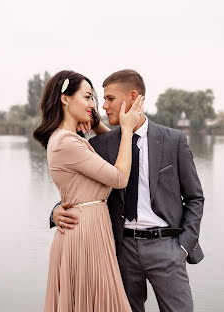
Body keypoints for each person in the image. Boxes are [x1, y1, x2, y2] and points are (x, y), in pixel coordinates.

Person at [51, 69, 205, 312]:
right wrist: (56, 211)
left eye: (110, 99)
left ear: (133, 97)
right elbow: (79, 188)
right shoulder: (100, 144)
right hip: (120, 250)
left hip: (167, 247)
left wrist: (183, 247)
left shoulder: (174, 140)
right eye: (101, 99)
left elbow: (195, 198)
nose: (103, 107)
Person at [34, 70, 144, 312]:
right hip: (85, 233)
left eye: (94, 98)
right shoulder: (66, 142)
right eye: (87, 97)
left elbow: (108, 150)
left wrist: (96, 125)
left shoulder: (72, 139)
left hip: (93, 229)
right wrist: (126, 130)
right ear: (65, 98)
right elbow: (118, 177)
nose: (93, 105)